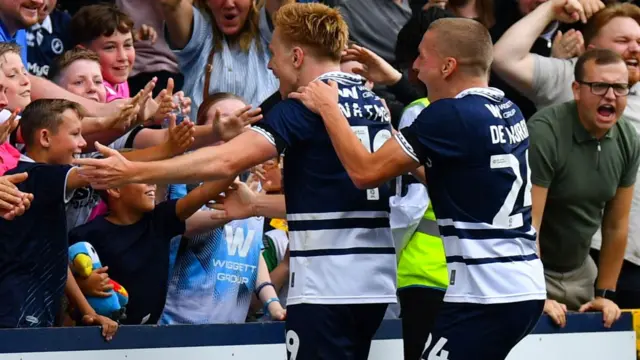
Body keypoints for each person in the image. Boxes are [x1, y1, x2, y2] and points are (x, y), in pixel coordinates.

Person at [75, 3, 397, 359]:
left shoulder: (306, 104)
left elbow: (225, 158)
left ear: (297, 56)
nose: (271, 66)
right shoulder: (374, 103)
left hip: (328, 285)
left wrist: (134, 171)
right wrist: (258, 205)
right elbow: (333, 197)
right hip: (375, 283)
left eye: (273, 54)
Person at [288, 18, 546, 360]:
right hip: (524, 285)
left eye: (422, 56)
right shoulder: (507, 109)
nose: (416, 66)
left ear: (448, 65)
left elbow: (366, 172)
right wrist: (395, 84)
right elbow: (440, 169)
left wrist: (329, 109)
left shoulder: (450, 117)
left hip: (485, 293)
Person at [528, 49, 635, 327]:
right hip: (534, 270)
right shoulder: (545, 131)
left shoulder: (628, 138)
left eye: (620, 87)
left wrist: (604, 293)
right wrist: (534, 291)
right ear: (576, 90)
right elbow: (531, 223)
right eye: (599, 86)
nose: (610, 95)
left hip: (580, 270)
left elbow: (616, 224)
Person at [0, 98, 117, 339]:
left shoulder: (42, 183)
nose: (82, 143)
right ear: (45, 137)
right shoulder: (35, 176)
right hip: (15, 312)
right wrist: (166, 152)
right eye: (75, 133)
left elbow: (57, 257)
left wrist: (86, 309)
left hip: (36, 309)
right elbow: (104, 170)